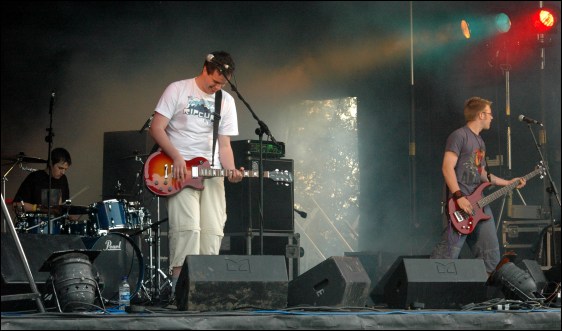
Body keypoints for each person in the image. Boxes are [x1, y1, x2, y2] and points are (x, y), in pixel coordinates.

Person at [149, 51, 244, 298]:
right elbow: (157, 128)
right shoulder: (178, 89)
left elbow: (224, 145)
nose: (216, 87)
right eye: (214, 82)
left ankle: (204, 293)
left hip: (211, 173)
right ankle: (179, 293)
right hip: (179, 171)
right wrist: (177, 156)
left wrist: (231, 169)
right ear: (205, 69)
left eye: (221, 84)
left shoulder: (226, 101)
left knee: (213, 231)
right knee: (187, 230)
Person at [430, 97, 526, 275]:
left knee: (490, 254)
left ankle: (488, 298)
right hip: (459, 203)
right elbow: (447, 167)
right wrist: (459, 197)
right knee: (447, 254)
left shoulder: (480, 142)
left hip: (479, 203)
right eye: (489, 114)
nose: (492, 118)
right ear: (481, 115)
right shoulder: (459, 136)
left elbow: (480, 173)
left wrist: (508, 183)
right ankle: (428, 292)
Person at [12, 147, 73, 233]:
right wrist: (37, 208)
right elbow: (16, 205)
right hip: (35, 228)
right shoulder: (34, 177)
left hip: (56, 228)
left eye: (65, 169)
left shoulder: (63, 179)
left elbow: (64, 206)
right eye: (60, 168)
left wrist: (72, 213)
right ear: (51, 163)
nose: (63, 172)